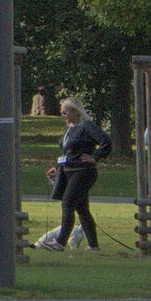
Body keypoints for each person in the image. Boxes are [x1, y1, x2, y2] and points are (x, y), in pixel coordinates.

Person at [38, 100, 111, 250]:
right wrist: (57, 167)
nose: (62, 114)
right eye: (62, 111)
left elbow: (105, 141)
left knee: (68, 202)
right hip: (68, 171)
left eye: (65, 111)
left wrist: (95, 157)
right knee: (82, 209)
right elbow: (67, 152)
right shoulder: (69, 128)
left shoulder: (86, 126)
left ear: (75, 111)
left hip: (83, 172)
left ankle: (60, 243)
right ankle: (93, 245)